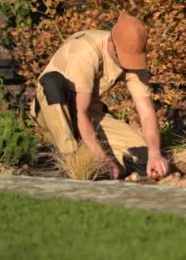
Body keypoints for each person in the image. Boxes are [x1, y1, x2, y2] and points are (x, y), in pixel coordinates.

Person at [30, 12, 169, 179]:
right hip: (53, 108)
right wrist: (101, 157)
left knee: (142, 157)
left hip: (90, 113)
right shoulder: (85, 51)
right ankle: (72, 158)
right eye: (124, 57)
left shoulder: (136, 58)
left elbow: (146, 112)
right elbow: (78, 112)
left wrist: (154, 153)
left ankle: (108, 164)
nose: (128, 63)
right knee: (52, 83)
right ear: (111, 42)